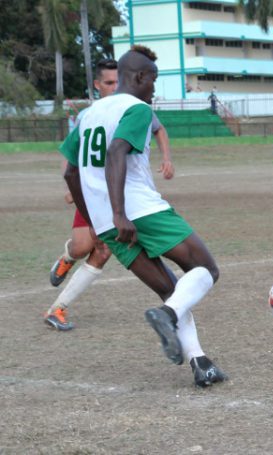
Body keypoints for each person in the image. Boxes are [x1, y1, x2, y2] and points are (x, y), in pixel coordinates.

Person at [59, 45, 226, 387]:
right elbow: (117, 152)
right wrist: (121, 212)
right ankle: (166, 317)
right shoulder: (137, 109)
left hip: (106, 223)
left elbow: (70, 174)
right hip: (138, 211)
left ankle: (201, 363)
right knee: (206, 269)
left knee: (172, 290)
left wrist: (96, 219)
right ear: (137, 77)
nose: (154, 88)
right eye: (153, 80)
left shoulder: (88, 115)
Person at [46, 59, 175, 331]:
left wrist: (166, 158)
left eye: (118, 81)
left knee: (102, 251)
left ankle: (57, 308)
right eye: (109, 83)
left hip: (122, 198)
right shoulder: (88, 115)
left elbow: (159, 128)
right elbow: (70, 157)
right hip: (93, 193)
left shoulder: (135, 108)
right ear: (97, 85)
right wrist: (71, 188)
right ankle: (67, 257)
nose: (116, 86)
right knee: (83, 247)